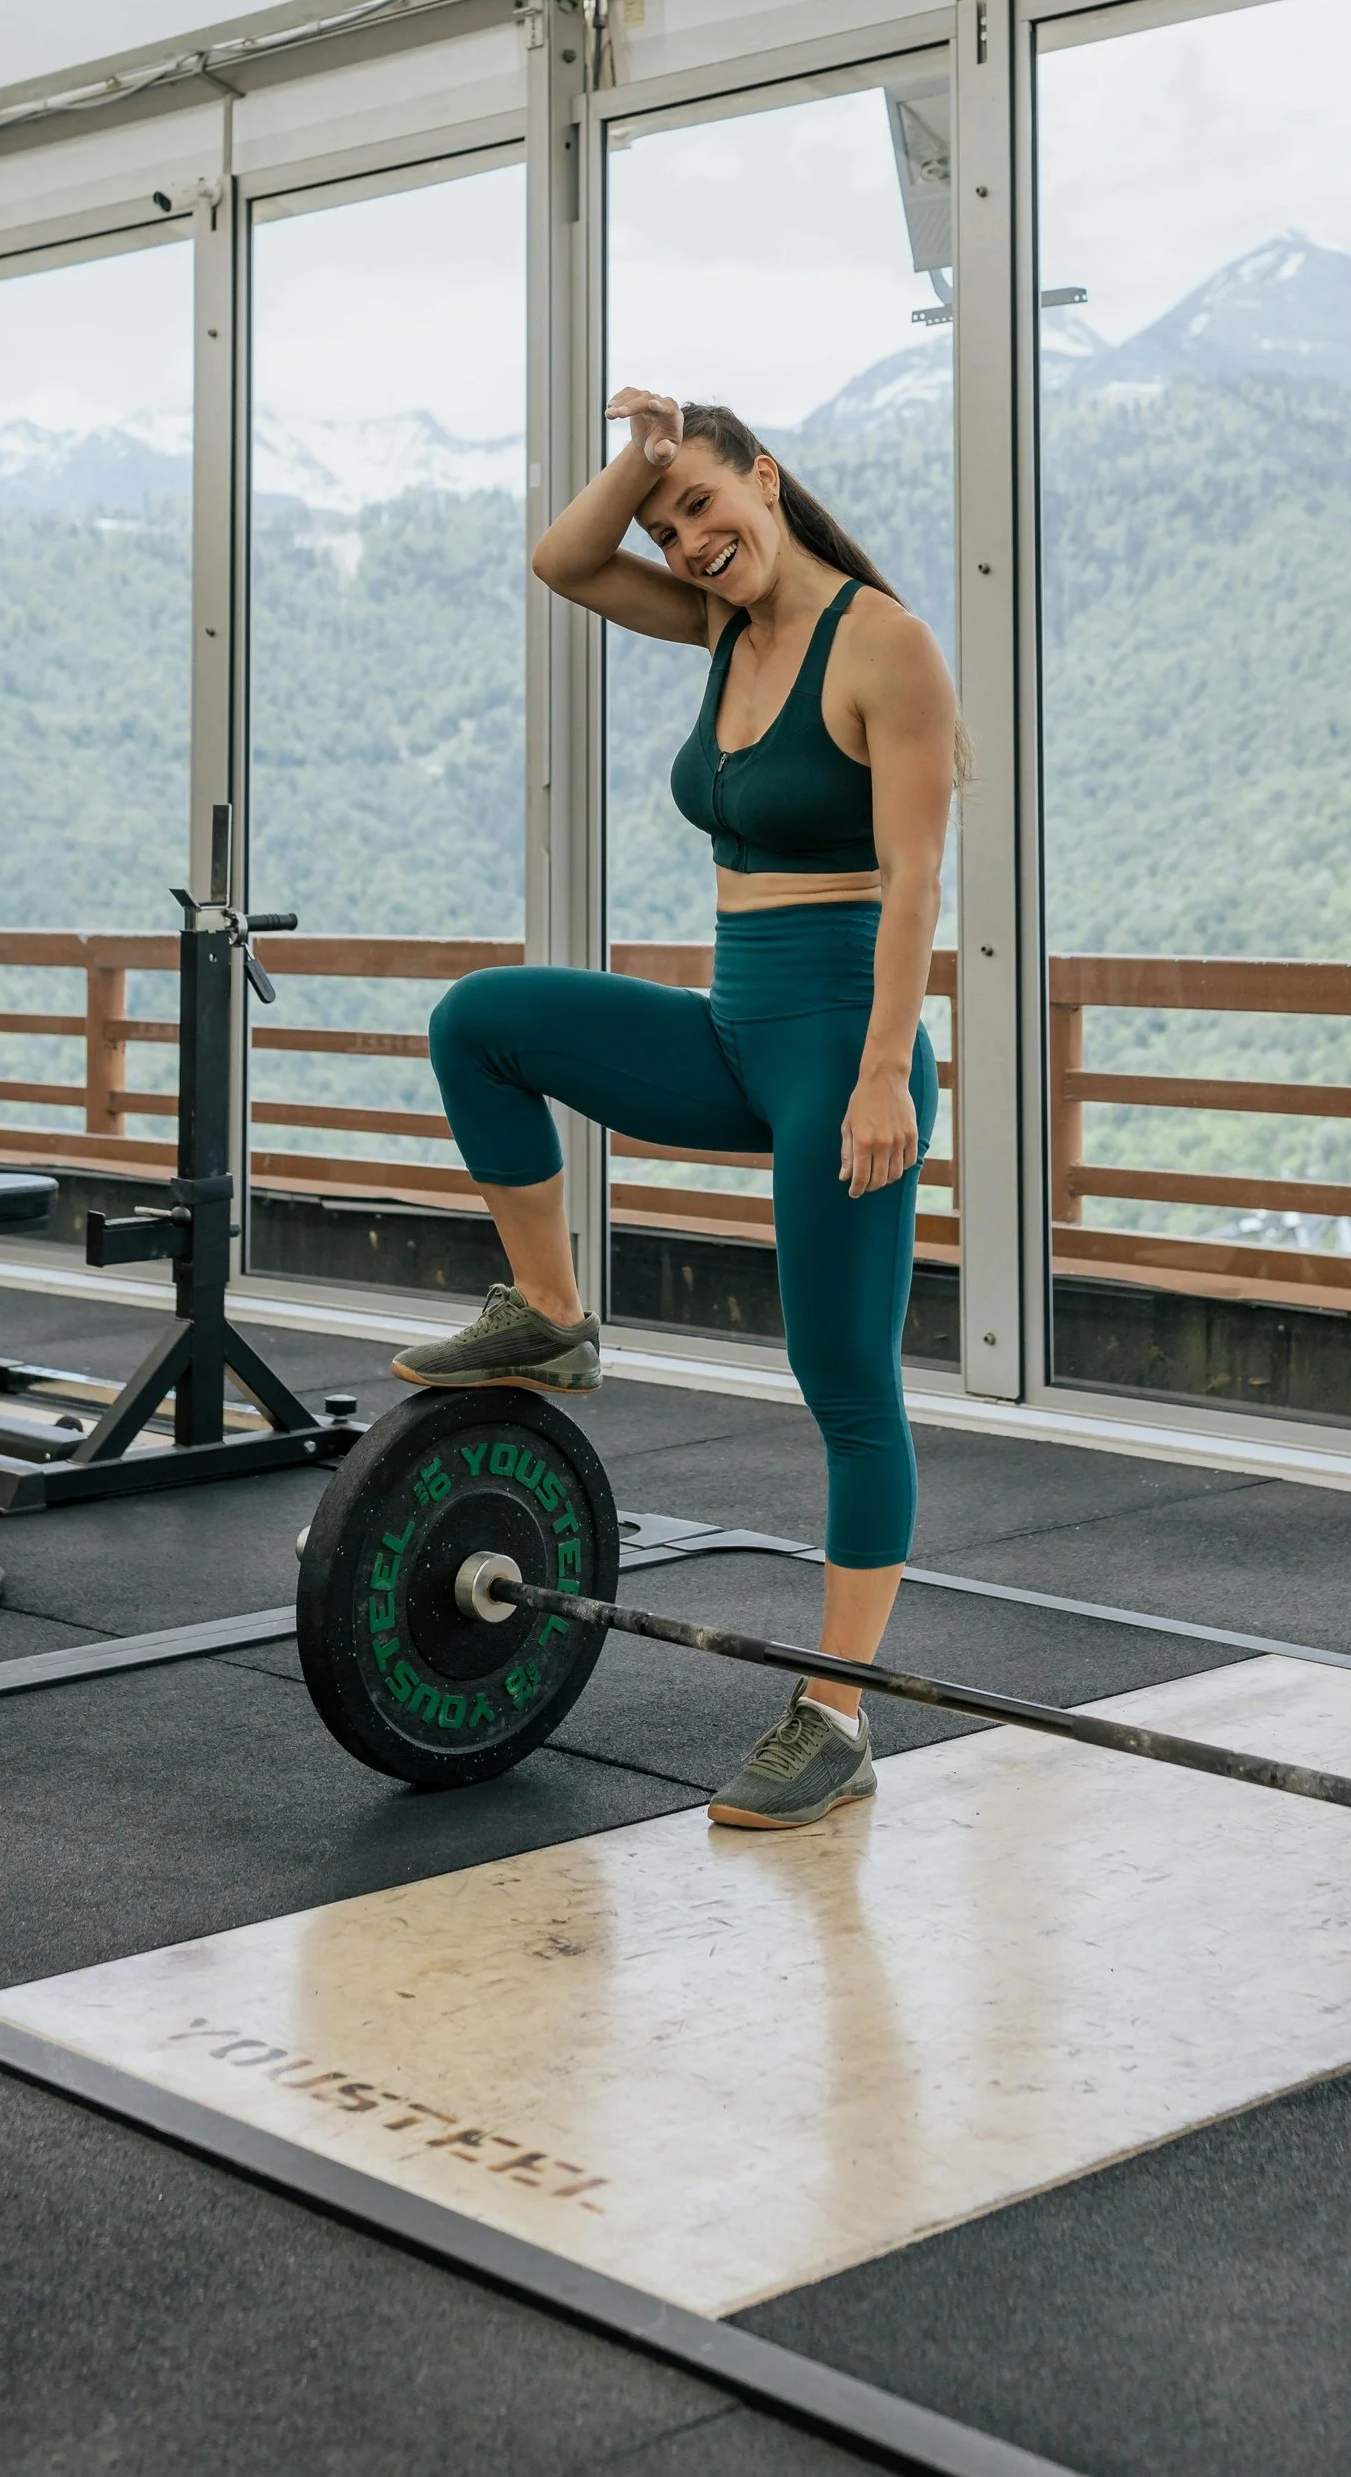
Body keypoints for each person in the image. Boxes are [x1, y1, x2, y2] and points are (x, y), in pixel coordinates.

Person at [395, 386, 957, 1832]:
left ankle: (835, 1712)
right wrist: (636, 458)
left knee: (846, 1386)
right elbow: (563, 564)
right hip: (732, 1028)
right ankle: (551, 1311)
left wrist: (888, 1069)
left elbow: (914, 882)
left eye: (708, 504)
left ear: (768, 479)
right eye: (671, 523)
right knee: (483, 1023)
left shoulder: (883, 643)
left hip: (842, 1049)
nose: (691, 540)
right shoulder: (725, 628)